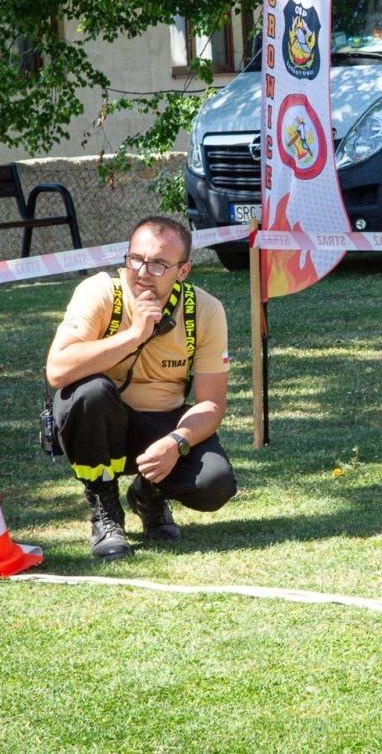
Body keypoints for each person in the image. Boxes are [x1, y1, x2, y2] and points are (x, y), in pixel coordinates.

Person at [46, 215, 238, 559]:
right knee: (91, 392)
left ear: (183, 270)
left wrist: (176, 443)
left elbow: (212, 403)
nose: (143, 272)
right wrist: (134, 334)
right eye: (136, 259)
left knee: (215, 484)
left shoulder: (205, 309)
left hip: (161, 426)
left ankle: (149, 494)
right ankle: (105, 511)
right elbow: (57, 370)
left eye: (160, 264)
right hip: (101, 422)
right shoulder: (101, 292)